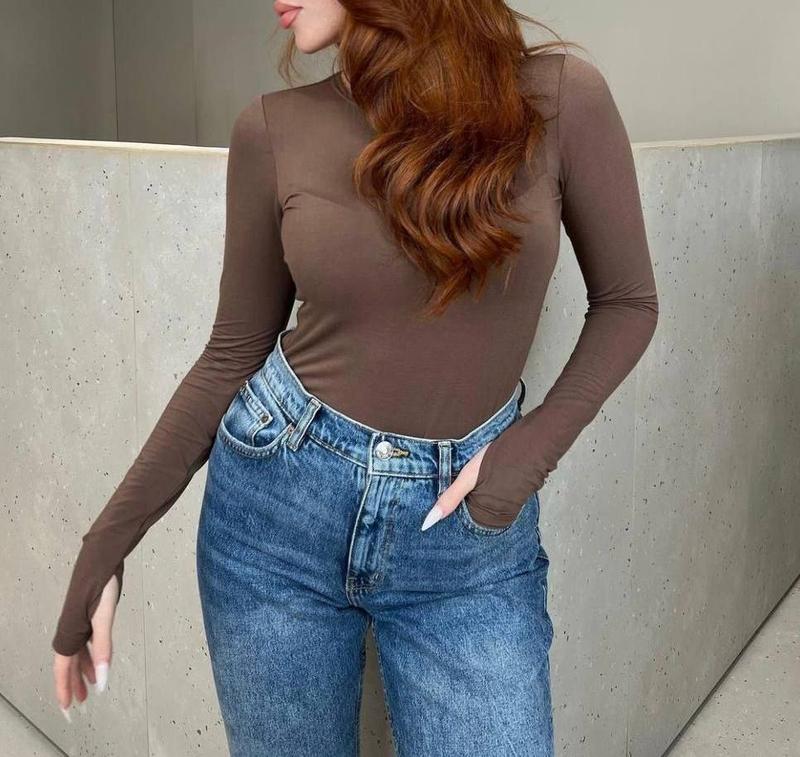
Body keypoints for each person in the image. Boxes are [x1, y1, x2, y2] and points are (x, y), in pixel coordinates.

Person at [52, 1, 659, 754]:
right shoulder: (273, 128)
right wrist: (105, 544)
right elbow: (232, 352)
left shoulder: (561, 97)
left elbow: (629, 302)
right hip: (276, 520)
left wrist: (522, 460)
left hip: (468, 542)